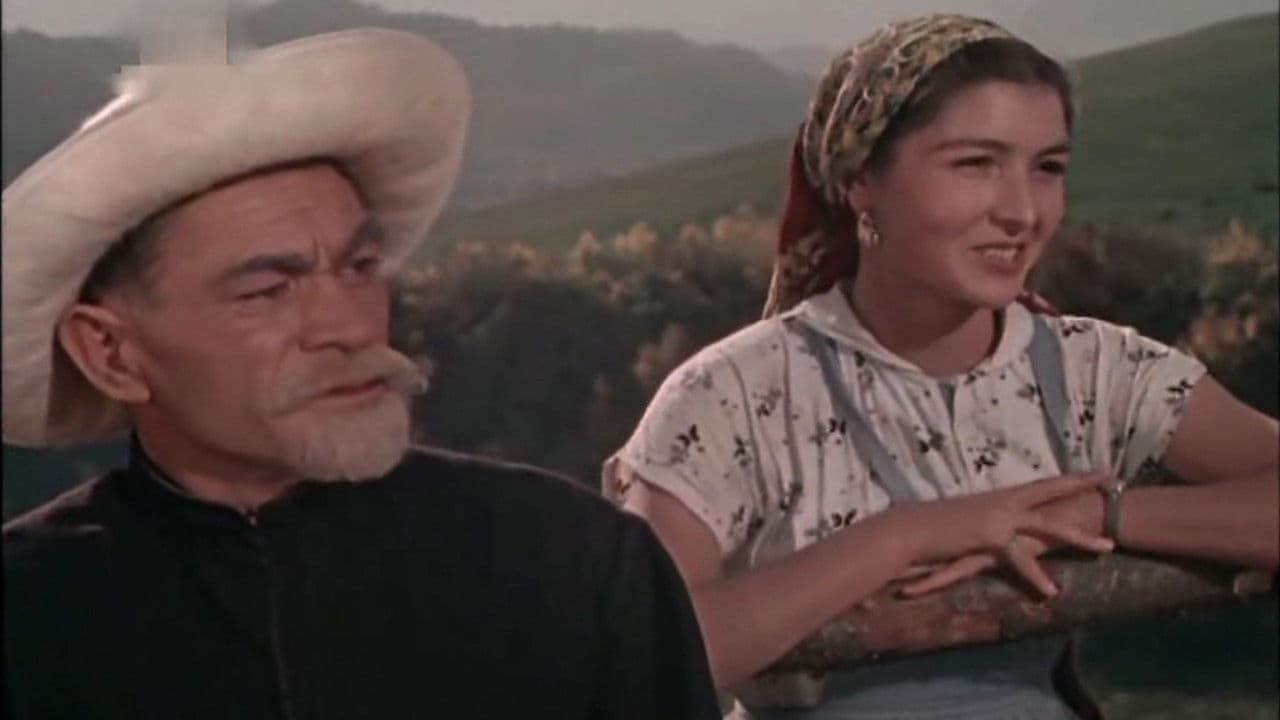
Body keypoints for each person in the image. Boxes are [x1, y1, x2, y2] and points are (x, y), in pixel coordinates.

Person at [2, 28, 721, 719]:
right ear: (111, 353)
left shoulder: (573, 564)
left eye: (360, 267)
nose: (347, 325)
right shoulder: (28, 617)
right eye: (266, 291)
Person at [604, 13, 1279, 720]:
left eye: (1047, 168)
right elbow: (637, 647)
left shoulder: (1095, 370)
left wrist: (1099, 511)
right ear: (861, 180)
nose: (1022, 211)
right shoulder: (736, 392)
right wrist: (911, 534)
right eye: (975, 164)